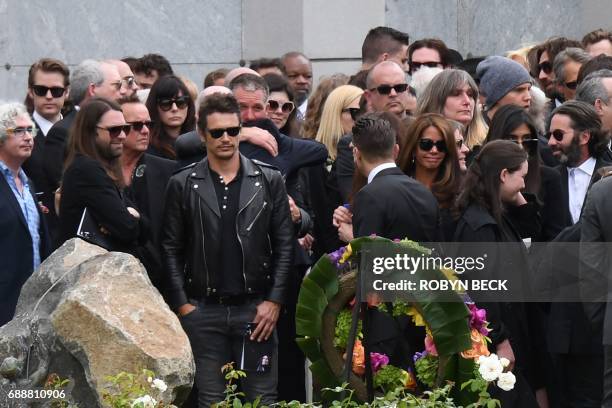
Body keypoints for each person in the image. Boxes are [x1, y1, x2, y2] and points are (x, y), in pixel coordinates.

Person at [161, 93, 293, 406]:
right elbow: (170, 248)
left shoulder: (268, 179)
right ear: (203, 135)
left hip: (255, 311)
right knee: (212, 401)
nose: (226, 139)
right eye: (217, 132)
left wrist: (274, 301)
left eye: (233, 131)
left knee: (262, 400)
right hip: (204, 310)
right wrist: (184, 307)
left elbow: (285, 244)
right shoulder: (182, 183)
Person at [453, 140, 546, 407]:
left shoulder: (492, 216)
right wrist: (501, 339)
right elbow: (483, 289)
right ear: (504, 174)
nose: (524, 185)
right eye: (522, 177)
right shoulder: (481, 227)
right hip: (498, 341)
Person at [43, 59, 123, 243]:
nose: (122, 92)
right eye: (116, 86)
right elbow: (66, 187)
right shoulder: (63, 131)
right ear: (93, 89)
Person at [58, 97, 147, 252]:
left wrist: (130, 216)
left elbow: (145, 231)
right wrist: (130, 216)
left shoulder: (102, 170)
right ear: (91, 132)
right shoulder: (86, 170)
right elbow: (127, 229)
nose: (122, 136)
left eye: (124, 128)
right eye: (114, 130)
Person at [0, 102, 50, 326]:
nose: (28, 137)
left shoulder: (27, 182)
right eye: (18, 131)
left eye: (29, 130)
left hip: (33, 301)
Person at [485, 104, 565, 242]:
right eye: (512, 141)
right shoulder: (481, 178)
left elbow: (556, 238)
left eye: (527, 141)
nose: (520, 148)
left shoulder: (549, 178)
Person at [120, 96, 176, 288]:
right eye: (136, 125)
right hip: (117, 279)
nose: (145, 131)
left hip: (162, 280)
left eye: (148, 124)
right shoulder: (99, 173)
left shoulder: (168, 171)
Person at [397, 113, 461, 240]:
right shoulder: (397, 186)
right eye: (426, 144)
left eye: (441, 145)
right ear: (413, 147)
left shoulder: (458, 190)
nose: (434, 150)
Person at [547, 100, 611, 225]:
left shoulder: (609, 175)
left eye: (558, 135)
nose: (550, 142)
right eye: (549, 135)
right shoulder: (549, 179)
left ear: (584, 137)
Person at [22, 58, 70, 221]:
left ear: (67, 92)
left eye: (56, 91)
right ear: (31, 92)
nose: (49, 96)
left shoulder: (80, 131)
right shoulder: (18, 134)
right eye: (41, 90)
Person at [416, 69, 489, 149]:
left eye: (470, 95)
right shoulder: (419, 144)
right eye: (456, 94)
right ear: (437, 101)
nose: (467, 101)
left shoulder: (487, 146)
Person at [145, 75, 196, 159]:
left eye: (181, 102)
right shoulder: (146, 148)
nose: (174, 109)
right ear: (154, 107)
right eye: (166, 103)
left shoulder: (199, 143)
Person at [280, 52, 312, 120]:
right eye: (293, 76)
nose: (302, 81)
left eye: (308, 76)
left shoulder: (321, 114)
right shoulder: (272, 113)